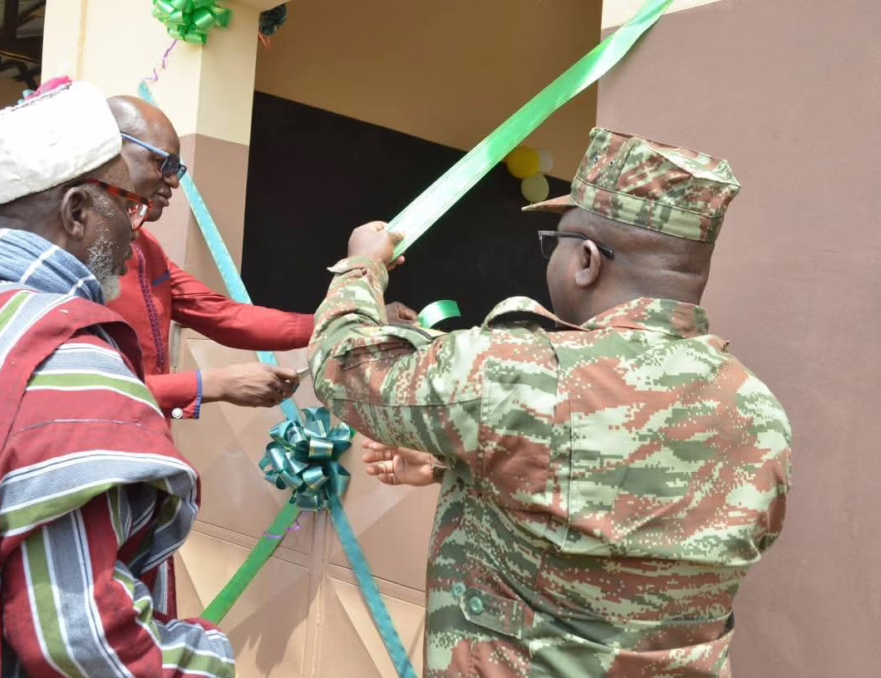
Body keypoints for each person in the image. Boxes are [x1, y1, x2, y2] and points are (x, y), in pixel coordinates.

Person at [309, 128, 792, 676]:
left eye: (555, 241)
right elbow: (627, 511)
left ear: (586, 260)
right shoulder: (758, 410)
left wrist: (360, 266)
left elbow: (342, 367)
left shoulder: (522, 372)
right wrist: (460, 466)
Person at [0, 81, 234, 677]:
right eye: (129, 208)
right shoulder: (70, 358)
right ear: (78, 211)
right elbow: (79, 638)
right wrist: (208, 660)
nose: (135, 232)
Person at [105, 96, 417, 420]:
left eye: (178, 168)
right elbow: (84, 388)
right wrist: (212, 384)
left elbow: (226, 318)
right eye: (164, 163)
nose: (174, 181)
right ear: (108, 150)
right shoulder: (70, 255)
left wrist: (355, 316)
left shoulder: (147, 250)